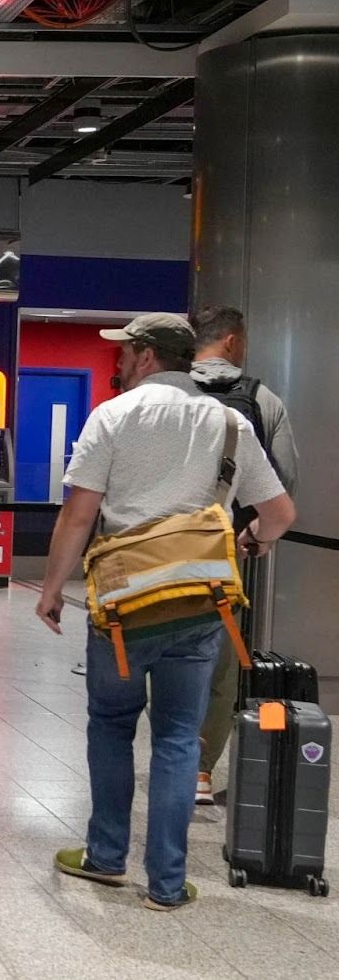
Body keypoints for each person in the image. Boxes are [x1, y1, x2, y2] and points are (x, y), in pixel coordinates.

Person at [36, 313, 295, 911]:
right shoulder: (230, 424)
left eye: (125, 352)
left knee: (111, 726)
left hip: (124, 607)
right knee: (178, 739)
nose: (119, 362)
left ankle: (105, 857)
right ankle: (168, 884)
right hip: (197, 605)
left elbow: (78, 515)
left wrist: (51, 589)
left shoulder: (114, 416)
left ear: (148, 356)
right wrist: (248, 541)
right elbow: (280, 514)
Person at [189, 305, 300, 803]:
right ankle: (199, 768)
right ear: (233, 342)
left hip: (153, 549)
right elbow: (284, 481)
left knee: (153, 645)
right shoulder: (262, 400)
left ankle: (169, 746)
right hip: (224, 550)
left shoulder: (167, 394)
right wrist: (256, 533)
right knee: (218, 660)